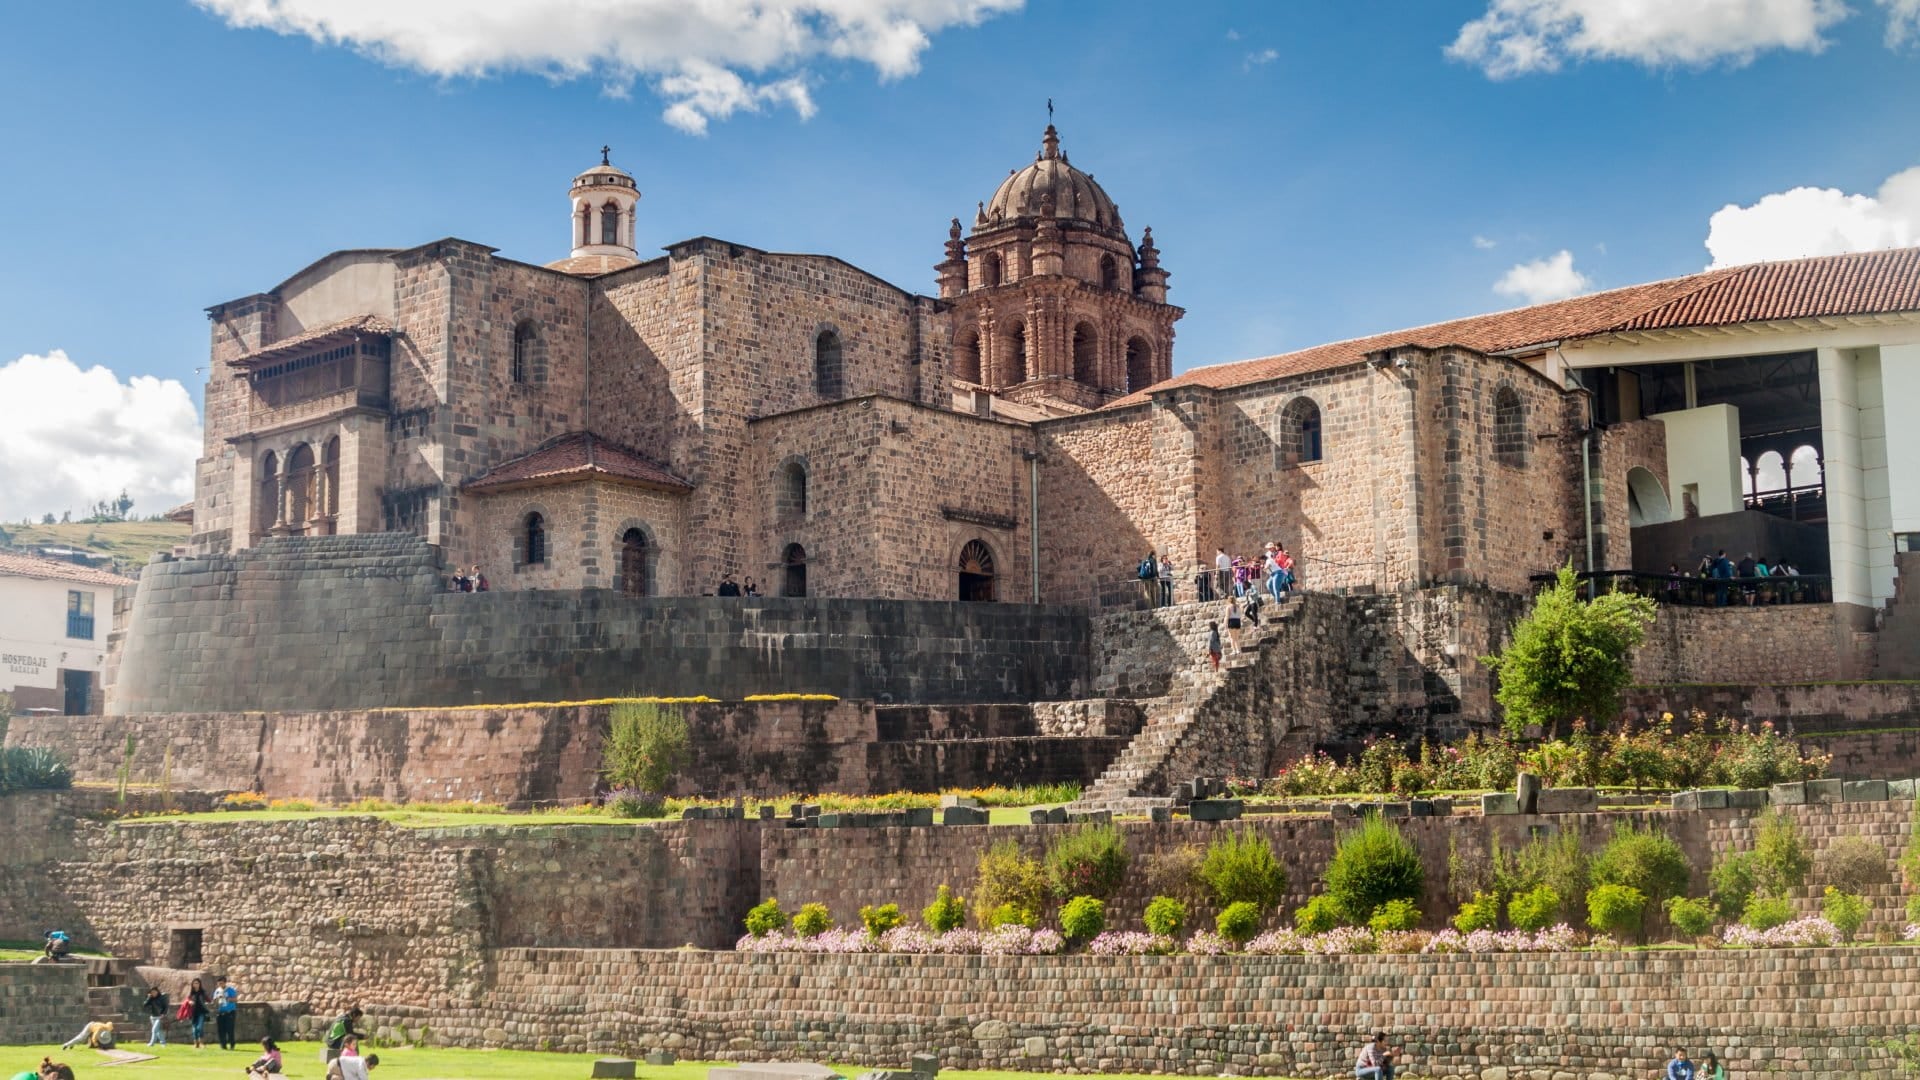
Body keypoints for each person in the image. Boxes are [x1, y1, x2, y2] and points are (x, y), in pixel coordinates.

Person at [186, 975, 211, 1049]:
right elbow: (187, 999)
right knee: (194, 1029)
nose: (196, 985)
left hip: (201, 1012)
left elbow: (208, 1000)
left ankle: (202, 1043)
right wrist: (189, 1001)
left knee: (200, 1028)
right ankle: (196, 1043)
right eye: (194, 983)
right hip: (193, 1013)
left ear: (200, 984)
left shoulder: (202, 992)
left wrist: (207, 1001)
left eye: (197, 983)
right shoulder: (191, 993)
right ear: (192, 985)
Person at [215, 974, 239, 1050]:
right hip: (220, 1012)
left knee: (230, 1029)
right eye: (219, 983)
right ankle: (223, 1045)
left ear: (225, 982)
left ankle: (232, 1044)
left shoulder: (231, 990)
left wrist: (228, 998)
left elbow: (235, 1000)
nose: (220, 985)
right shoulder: (217, 991)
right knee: (221, 1030)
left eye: (221, 983)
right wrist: (217, 999)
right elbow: (214, 1001)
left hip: (230, 1012)